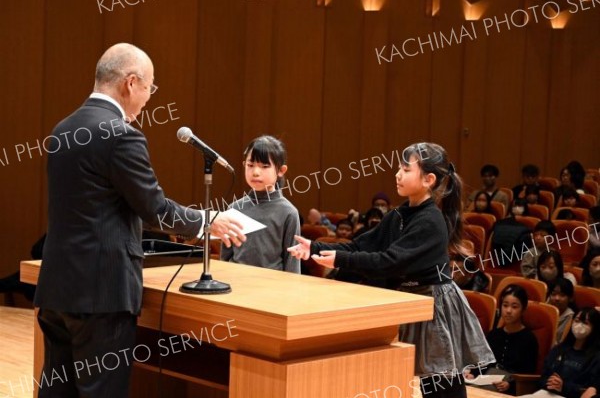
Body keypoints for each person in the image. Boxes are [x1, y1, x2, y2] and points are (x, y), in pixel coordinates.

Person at [34, 43, 246, 398]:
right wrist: (207, 220)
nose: (149, 97)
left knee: (59, 392)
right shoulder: (121, 135)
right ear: (131, 83)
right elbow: (155, 209)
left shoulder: (62, 129)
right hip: (102, 294)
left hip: (57, 288)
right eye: (150, 87)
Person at [288, 142, 495, 398]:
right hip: (411, 300)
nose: (397, 174)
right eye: (399, 167)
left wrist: (340, 259)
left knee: (441, 384)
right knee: (416, 378)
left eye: (406, 169)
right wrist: (315, 247)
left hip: (435, 304)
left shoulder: (430, 221)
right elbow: (363, 244)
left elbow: (389, 261)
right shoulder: (400, 214)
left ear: (429, 179)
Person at [221, 136, 300, 273]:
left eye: (264, 166)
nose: (256, 172)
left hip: (271, 287)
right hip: (236, 283)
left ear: (281, 171)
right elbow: (225, 257)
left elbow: (292, 262)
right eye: (250, 165)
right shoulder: (234, 208)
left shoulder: (288, 212)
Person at [467, 284, 538, 395]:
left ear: (523, 310)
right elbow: (483, 362)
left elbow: (527, 373)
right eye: (505, 305)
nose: (508, 311)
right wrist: (473, 374)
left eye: (514, 307)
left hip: (509, 383)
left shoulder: (529, 339)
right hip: (487, 378)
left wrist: (510, 384)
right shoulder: (494, 334)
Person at [519, 308, 600, 398]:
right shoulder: (559, 349)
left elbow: (590, 390)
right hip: (546, 393)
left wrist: (563, 387)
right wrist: (550, 382)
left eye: (585, 323)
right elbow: (543, 376)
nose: (579, 325)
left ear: (594, 328)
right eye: (576, 321)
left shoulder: (596, 357)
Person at [548, 278, 577, 345]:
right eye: (553, 294)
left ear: (571, 298)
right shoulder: (545, 312)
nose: (557, 298)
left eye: (562, 295)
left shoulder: (571, 317)